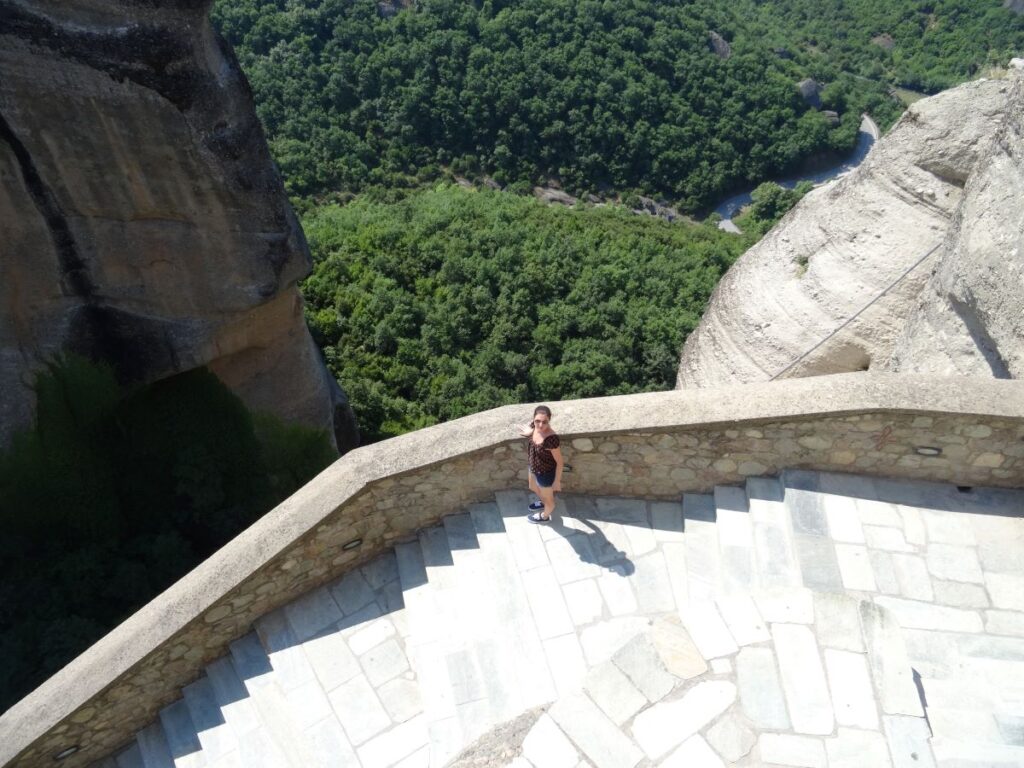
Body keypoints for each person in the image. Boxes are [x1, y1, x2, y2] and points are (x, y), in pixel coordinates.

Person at [518, 405, 563, 523]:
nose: (540, 425)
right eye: (537, 421)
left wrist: (556, 481)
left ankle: (544, 516)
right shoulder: (535, 427)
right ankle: (543, 502)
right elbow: (535, 431)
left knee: (550, 503)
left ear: (549, 420)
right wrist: (530, 432)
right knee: (532, 487)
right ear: (533, 419)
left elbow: (559, 462)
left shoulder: (551, 439)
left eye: (544, 422)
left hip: (545, 474)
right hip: (533, 466)